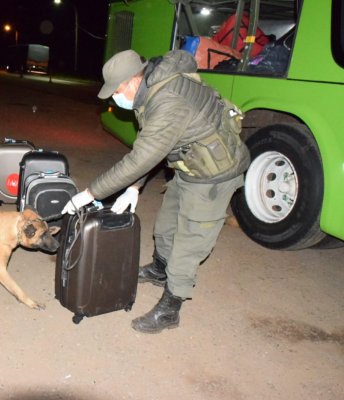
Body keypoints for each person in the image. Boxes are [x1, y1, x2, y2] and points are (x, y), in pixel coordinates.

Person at [62, 49, 250, 334]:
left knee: (189, 243)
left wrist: (90, 193)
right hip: (189, 165)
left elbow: (141, 158)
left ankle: (171, 308)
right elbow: (152, 146)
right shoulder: (148, 91)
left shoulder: (168, 101)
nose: (114, 98)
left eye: (116, 91)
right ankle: (160, 269)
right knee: (164, 227)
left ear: (131, 80)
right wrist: (135, 188)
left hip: (215, 174)